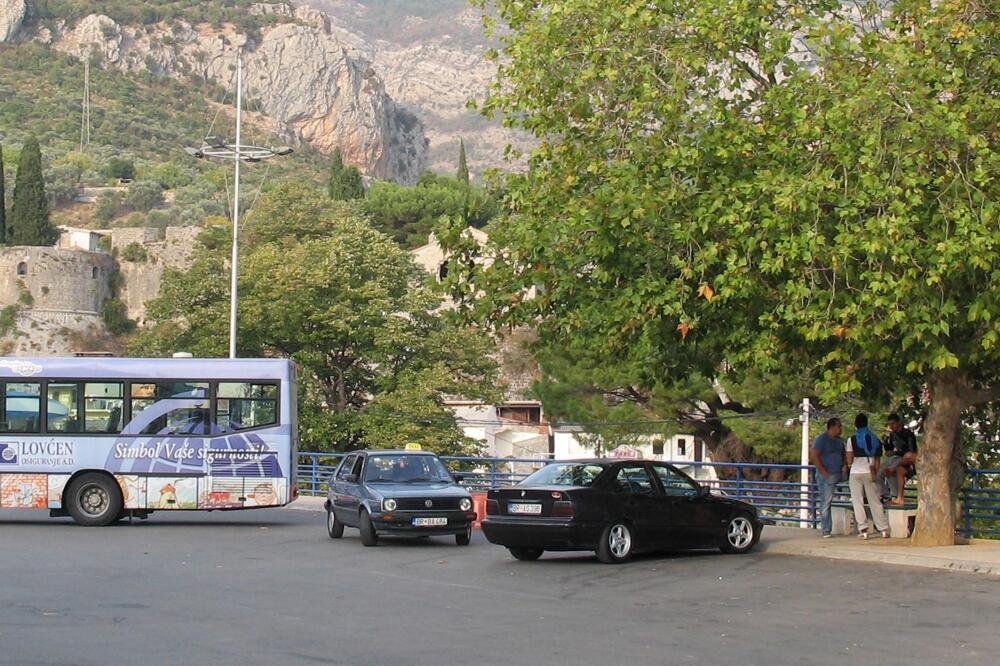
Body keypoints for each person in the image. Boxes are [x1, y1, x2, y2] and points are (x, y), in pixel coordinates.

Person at [846, 413, 890, 538]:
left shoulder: (851, 439)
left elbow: (849, 459)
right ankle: (883, 528)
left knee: (857, 501)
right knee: (874, 500)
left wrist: (850, 464)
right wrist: (874, 472)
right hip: (870, 471)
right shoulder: (875, 439)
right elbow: (877, 460)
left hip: (855, 472)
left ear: (856, 424)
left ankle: (863, 529)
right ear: (867, 423)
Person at [811, 417, 846, 538]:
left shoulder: (840, 441)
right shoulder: (821, 439)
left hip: (838, 472)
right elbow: (814, 455)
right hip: (826, 474)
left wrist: (844, 465)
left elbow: (843, 454)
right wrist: (824, 472)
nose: (841, 429)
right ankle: (826, 529)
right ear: (833, 427)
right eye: (839, 426)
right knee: (826, 501)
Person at [878, 413, 918, 505]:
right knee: (880, 472)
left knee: (891, 470)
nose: (891, 426)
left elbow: (911, 452)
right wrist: (885, 442)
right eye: (889, 424)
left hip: (905, 459)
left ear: (898, 423)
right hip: (895, 458)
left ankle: (896, 495)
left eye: (893, 424)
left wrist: (895, 453)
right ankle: (886, 495)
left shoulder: (908, 434)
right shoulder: (892, 435)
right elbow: (889, 449)